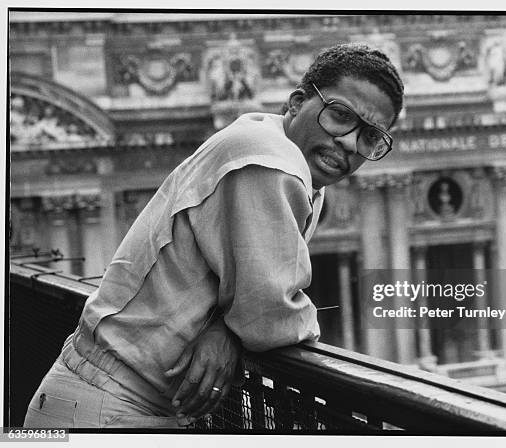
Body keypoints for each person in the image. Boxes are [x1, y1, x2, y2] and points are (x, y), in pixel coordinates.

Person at [23, 43, 404, 428]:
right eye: (339, 116)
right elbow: (271, 319)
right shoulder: (271, 162)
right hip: (111, 407)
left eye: (371, 137)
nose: (351, 142)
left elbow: (253, 298)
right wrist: (249, 324)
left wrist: (227, 329)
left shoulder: (274, 143)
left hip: (102, 397)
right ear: (297, 101)